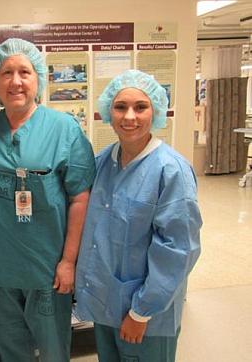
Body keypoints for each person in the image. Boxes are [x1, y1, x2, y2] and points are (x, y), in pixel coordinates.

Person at [0, 38, 96, 361]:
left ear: (38, 78)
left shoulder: (64, 128)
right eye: (6, 72)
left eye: (25, 72)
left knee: (53, 350)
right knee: (11, 351)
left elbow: (80, 197)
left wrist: (68, 261)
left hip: (47, 268)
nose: (16, 81)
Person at [74, 69, 202, 362]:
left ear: (155, 111)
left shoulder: (171, 170)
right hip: (107, 304)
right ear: (109, 111)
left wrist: (141, 312)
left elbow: (179, 250)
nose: (129, 116)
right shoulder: (104, 161)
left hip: (147, 315)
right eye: (120, 107)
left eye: (140, 107)